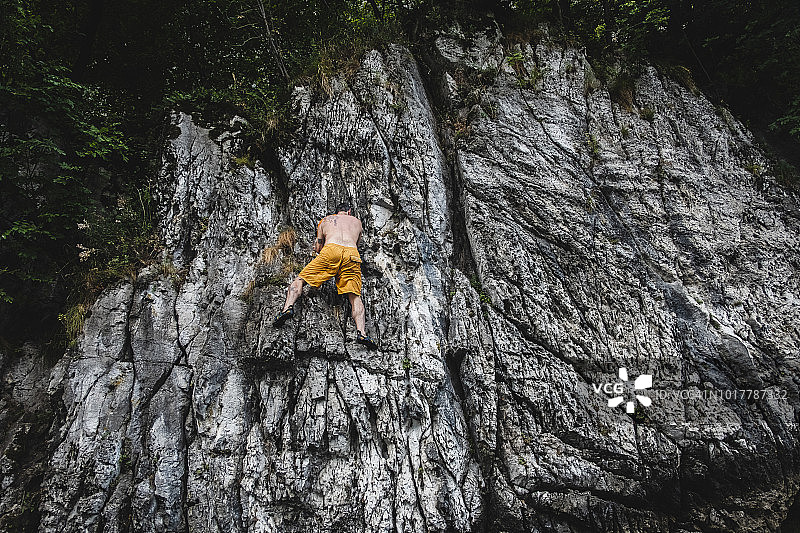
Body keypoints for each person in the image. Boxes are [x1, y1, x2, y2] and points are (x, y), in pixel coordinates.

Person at [273, 202, 378, 349]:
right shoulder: (357, 222)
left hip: (331, 250)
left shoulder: (326, 221)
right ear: (348, 211)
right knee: (355, 296)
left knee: (300, 279)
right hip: (351, 254)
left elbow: (318, 247)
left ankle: (287, 308)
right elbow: (357, 242)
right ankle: (362, 332)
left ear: (336, 212)